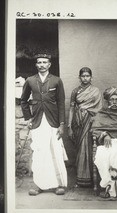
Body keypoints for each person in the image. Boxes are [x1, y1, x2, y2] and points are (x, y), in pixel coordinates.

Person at [20, 53, 68, 196]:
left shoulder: (56, 81)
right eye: (39, 62)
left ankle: (59, 184)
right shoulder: (30, 80)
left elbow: (60, 103)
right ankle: (38, 185)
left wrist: (62, 124)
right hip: (37, 121)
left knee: (55, 151)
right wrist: (28, 117)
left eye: (44, 62)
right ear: (36, 65)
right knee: (40, 152)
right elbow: (23, 100)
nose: (41, 65)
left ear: (49, 64)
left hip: (53, 121)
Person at [68, 67, 103, 187]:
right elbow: (72, 108)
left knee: (88, 148)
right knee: (79, 150)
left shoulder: (96, 91)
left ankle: (92, 179)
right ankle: (80, 179)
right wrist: (69, 126)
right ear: (79, 78)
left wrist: (92, 119)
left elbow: (98, 109)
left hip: (90, 122)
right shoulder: (75, 91)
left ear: (91, 77)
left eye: (87, 76)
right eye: (83, 76)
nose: (85, 78)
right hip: (77, 123)